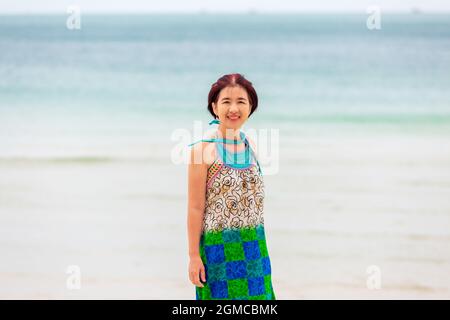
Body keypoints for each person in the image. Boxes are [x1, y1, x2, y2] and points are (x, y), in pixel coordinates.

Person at [187, 73, 275, 300]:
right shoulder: (202, 151)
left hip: (255, 249)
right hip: (218, 251)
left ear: (251, 106)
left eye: (241, 101)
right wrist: (194, 257)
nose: (233, 108)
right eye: (226, 101)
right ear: (214, 107)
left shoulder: (252, 146)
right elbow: (195, 208)